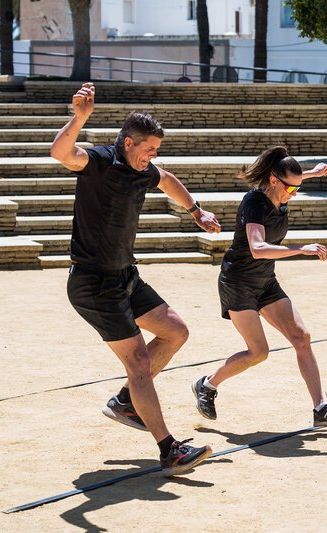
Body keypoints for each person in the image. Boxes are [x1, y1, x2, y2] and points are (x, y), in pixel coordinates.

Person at [51, 83, 219, 476]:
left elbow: (168, 179)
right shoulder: (99, 161)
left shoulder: (144, 170)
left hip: (125, 276)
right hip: (93, 283)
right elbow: (61, 153)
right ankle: (169, 450)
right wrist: (79, 118)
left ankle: (126, 402)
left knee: (175, 331)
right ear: (129, 143)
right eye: (150, 148)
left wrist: (196, 211)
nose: (154, 156)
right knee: (140, 362)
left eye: (157, 150)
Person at [192, 146, 327, 427]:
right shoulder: (255, 203)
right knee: (258, 352)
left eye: (298, 188)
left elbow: (292, 181)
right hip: (238, 282)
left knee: (301, 337)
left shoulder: (282, 191)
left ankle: (320, 409)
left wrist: (313, 173)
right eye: (291, 189)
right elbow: (257, 248)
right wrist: (300, 249)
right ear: (273, 180)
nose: (295, 193)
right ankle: (207, 385)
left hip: (265, 281)